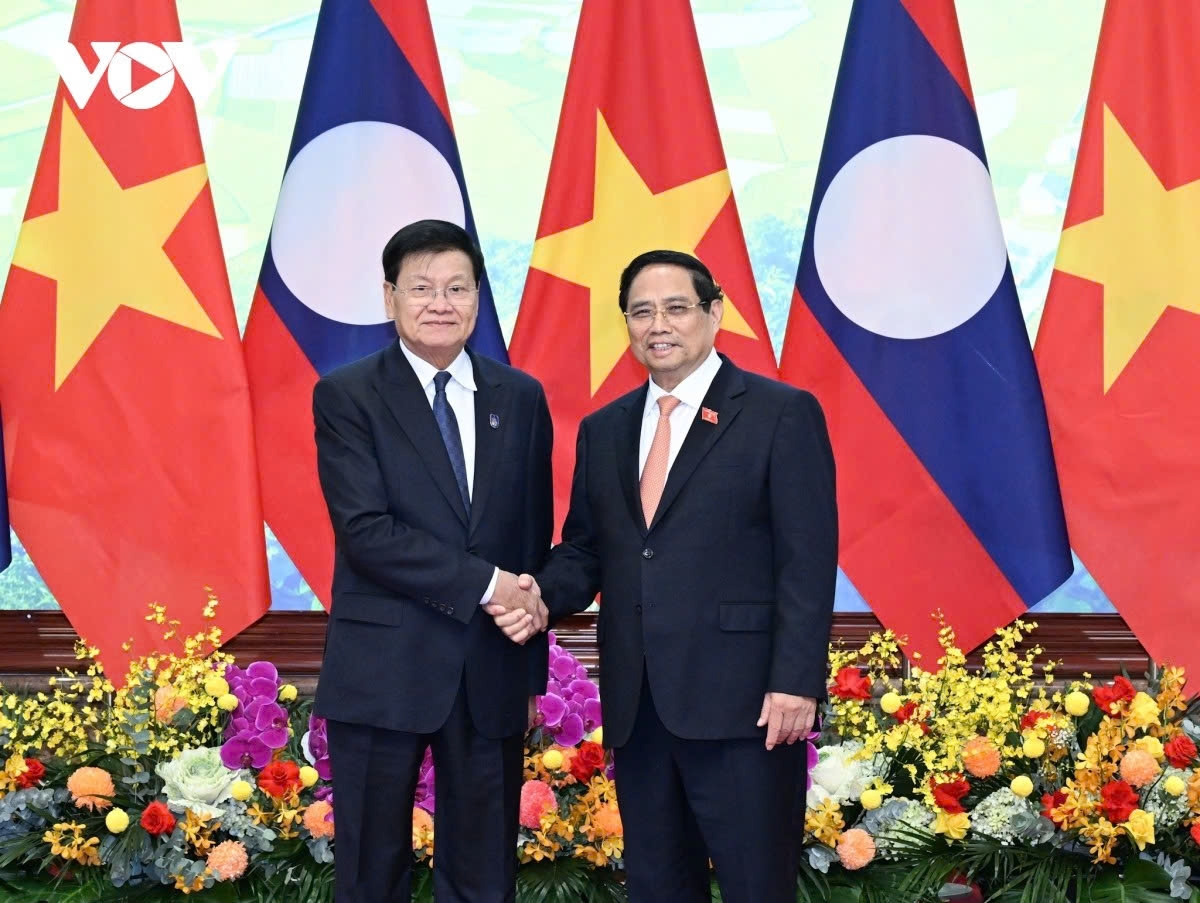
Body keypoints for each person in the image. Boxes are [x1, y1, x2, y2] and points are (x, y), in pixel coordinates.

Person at [498, 250, 838, 902]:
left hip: (749, 710)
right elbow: (586, 551)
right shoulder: (605, 430)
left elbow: (807, 559)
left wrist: (796, 682)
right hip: (641, 710)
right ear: (626, 323)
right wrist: (536, 594)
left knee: (756, 886)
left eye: (677, 307)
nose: (660, 324)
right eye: (642, 310)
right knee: (656, 887)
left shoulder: (779, 413)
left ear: (714, 314)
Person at [312, 219, 552, 903]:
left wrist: (527, 657)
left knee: (484, 874)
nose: (440, 302)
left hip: (490, 670)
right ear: (389, 297)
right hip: (383, 670)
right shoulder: (348, 395)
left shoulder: (522, 397)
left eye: (456, 287)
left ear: (478, 297)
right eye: (421, 288)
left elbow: (529, 540)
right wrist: (489, 583)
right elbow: (366, 532)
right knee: (370, 871)